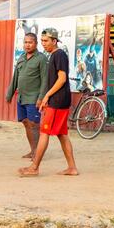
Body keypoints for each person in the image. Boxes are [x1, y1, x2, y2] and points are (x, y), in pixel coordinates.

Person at [18, 28, 78, 177]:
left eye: (46, 41)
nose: (43, 44)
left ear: (54, 41)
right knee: (62, 134)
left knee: (44, 132)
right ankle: (72, 168)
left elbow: (62, 79)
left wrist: (46, 96)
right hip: (59, 100)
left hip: (57, 101)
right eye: (42, 40)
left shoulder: (59, 55)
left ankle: (34, 168)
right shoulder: (53, 55)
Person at [6, 33, 48, 159]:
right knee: (25, 122)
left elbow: (45, 80)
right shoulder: (21, 57)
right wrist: (9, 95)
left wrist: (41, 98)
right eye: (25, 42)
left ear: (35, 44)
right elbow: (15, 78)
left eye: (30, 42)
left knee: (34, 124)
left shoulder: (41, 59)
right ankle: (33, 150)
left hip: (34, 98)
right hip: (21, 98)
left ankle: (38, 153)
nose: (27, 45)